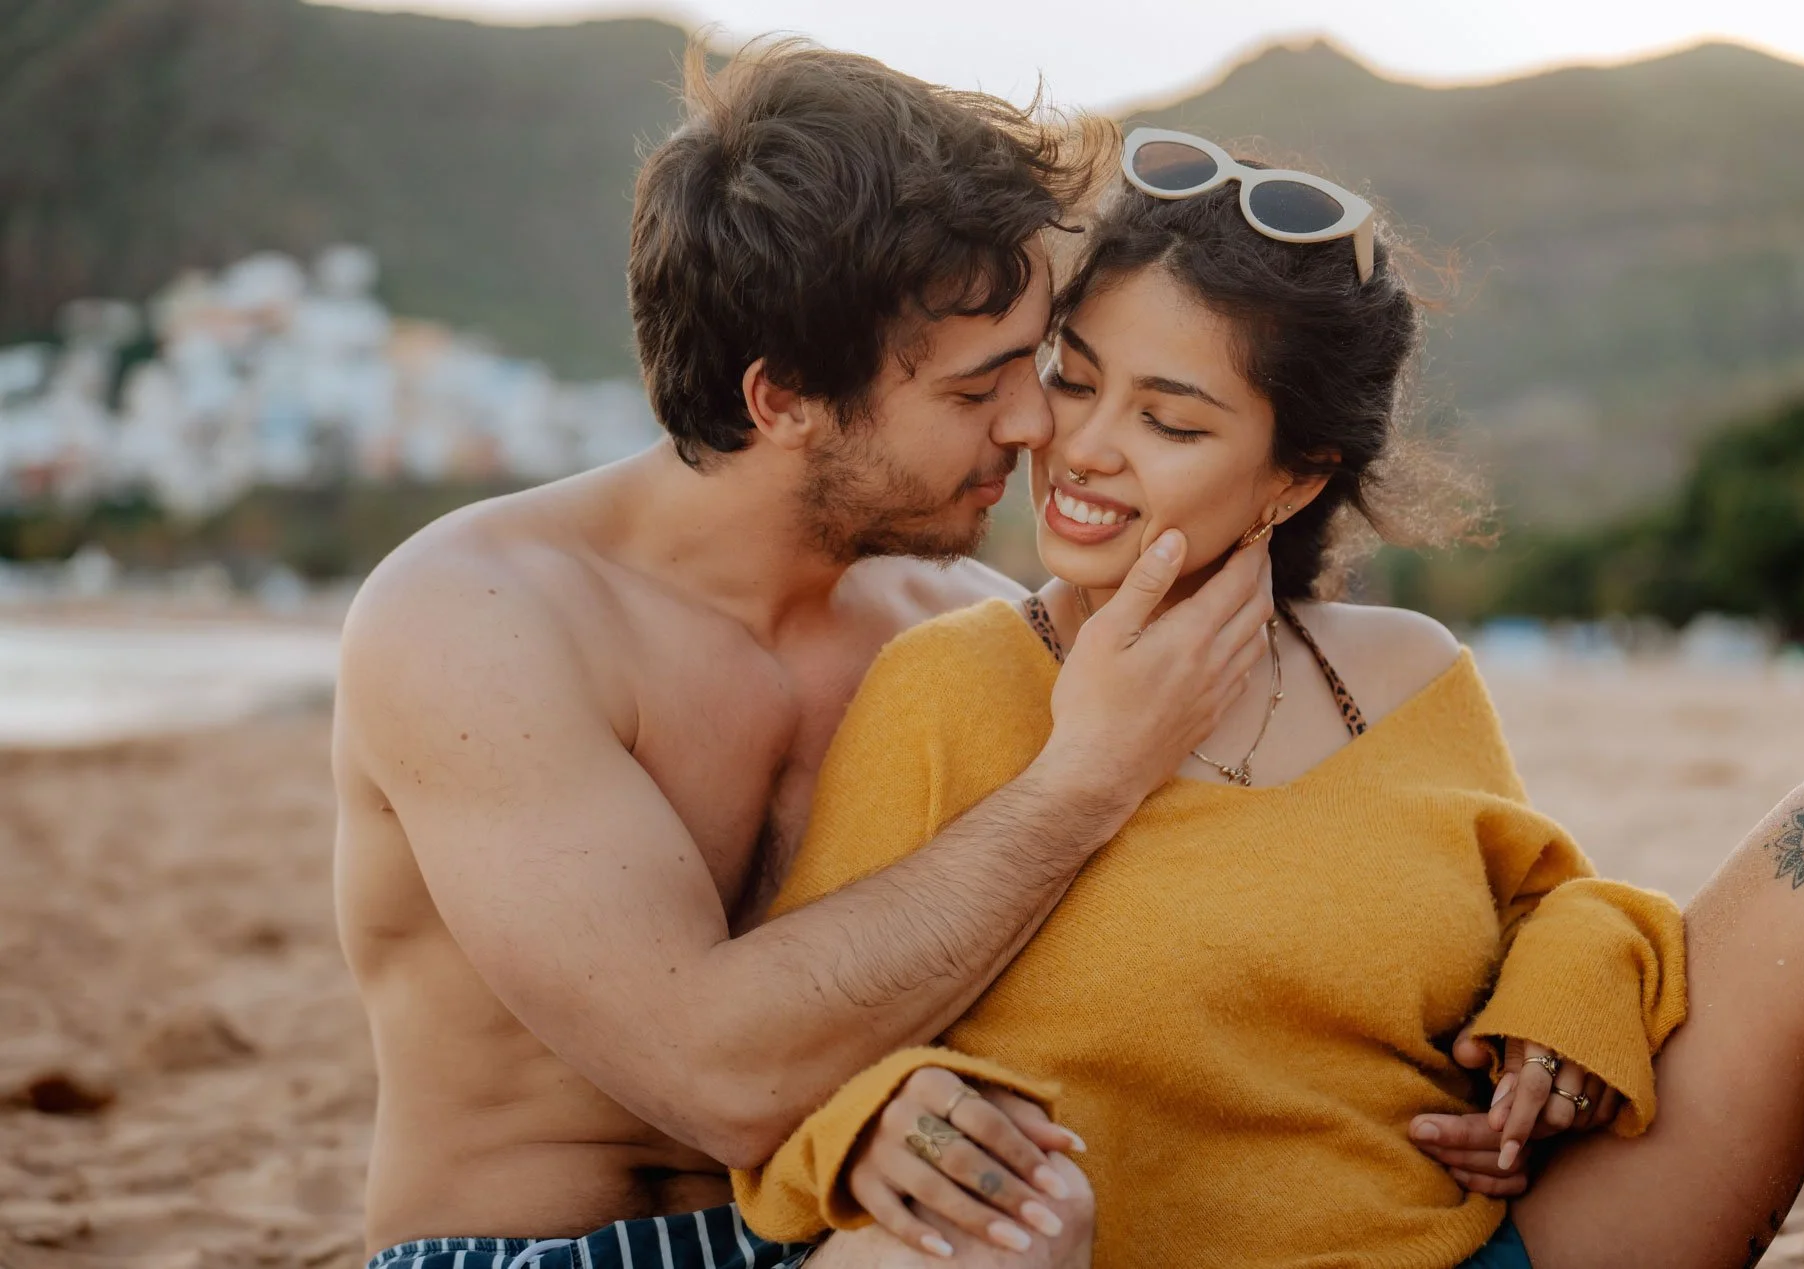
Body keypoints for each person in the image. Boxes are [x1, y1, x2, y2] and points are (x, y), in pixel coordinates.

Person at [732, 130, 1804, 1268]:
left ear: (1294, 476)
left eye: (1169, 421)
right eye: (1074, 377)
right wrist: (872, 1126)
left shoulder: (1398, 672)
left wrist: (1549, 1024)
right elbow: (792, 1063)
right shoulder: (946, 685)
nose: (1081, 446)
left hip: (1480, 1246)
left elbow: (1557, 904)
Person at [332, 44, 1280, 1269]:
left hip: (843, 1213)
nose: (1035, 423)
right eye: (976, 387)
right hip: (533, 1251)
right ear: (781, 401)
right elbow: (714, 1073)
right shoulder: (478, 620)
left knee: (1019, 1212)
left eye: (1033, 367)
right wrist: (1083, 780)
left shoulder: (960, 623)